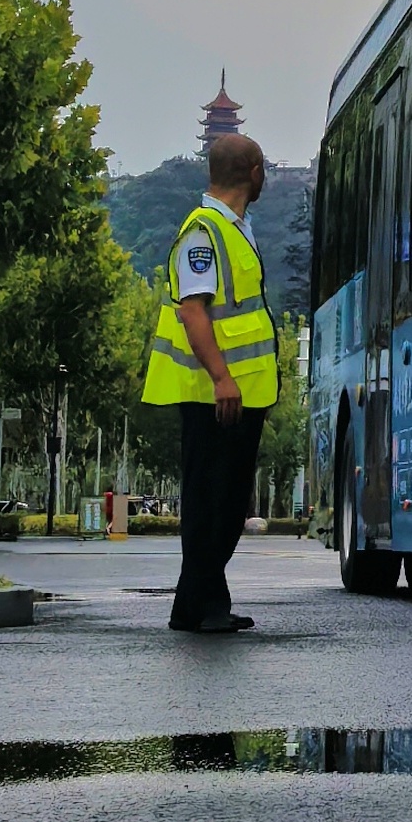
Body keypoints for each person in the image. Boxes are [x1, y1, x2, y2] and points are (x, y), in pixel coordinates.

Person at [141, 132, 281, 634]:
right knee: (212, 501)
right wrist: (222, 377)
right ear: (254, 173)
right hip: (213, 393)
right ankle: (198, 606)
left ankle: (200, 603)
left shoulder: (234, 229)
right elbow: (193, 312)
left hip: (238, 391)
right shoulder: (204, 231)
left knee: (226, 499)